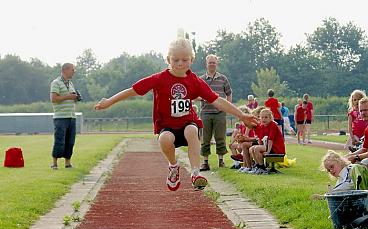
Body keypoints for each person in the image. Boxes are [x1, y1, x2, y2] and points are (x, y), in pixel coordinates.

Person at [94, 38, 257, 191]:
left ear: (191, 60)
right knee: (164, 139)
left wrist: (241, 116)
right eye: (176, 60)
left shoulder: (195, 81)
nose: (180, 63)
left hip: (188, 122)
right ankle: (173, 166)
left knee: (192, 131)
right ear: (168, 59)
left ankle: (195, 173)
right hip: (166, 125)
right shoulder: (159, 79)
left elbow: (217, 100)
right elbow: (133, 91)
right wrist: (109, 101)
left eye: (185, 60)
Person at [199, 54, 233, 171]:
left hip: (220, 112)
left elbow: (229, 93)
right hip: (206, 112)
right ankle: (205, 162)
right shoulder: (201, 79)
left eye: (214, 62)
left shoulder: (223, 79)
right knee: (205, 138)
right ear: (206, 64)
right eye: (210, 62)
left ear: (216, 64)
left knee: (220, 137)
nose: (212, 64)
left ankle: (221, 161)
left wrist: (227, 107)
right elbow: (195, 95)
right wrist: (203, 98)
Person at [50, 63, 79, 170]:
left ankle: (68, 163)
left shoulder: (71, 83)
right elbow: (54, 98)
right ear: (65, 70)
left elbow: (69, 97)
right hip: (60, 117)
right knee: (59, 140)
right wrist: (69, 96)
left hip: (71, 116)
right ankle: (54, 163)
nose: (74, 72)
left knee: (70, 141)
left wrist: (75, 97)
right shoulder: (56, 83)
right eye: (72, 69)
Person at [248, 108, 285, 175]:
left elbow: (271, 140)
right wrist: (260, 146)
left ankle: (263, 168)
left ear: (270, 118)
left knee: (256, 148)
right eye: (262, 117)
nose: (264, 119)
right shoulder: (261, 126)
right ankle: (258, 166)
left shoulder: (273, 125)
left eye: (266, 117)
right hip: (268, 146)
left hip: (275, 147)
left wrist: (267, 151)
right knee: (252, 148)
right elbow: (260, 139)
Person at [347, 97, 368, 163]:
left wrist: (356, 157)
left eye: (366, 110)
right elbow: (365, 149)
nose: (363, 113)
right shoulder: (367, 129)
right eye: (361, 111)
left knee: (364, 162)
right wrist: (348, 156)